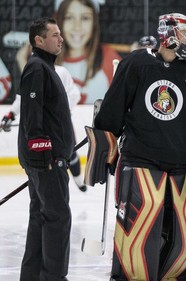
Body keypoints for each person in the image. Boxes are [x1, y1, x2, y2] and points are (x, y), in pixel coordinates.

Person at [94, 12, 186, 281]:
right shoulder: (136, 64)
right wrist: (104, 147)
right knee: (138, 229)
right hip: (141, 161)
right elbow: (112, 113)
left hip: (185, 165)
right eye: (183, 33)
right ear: (167, 35)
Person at [18, 17, 74, 281]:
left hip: (46, 162)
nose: (61, 39)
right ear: (39, 40)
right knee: (57, 219)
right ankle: (54, 277)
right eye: (55, 35)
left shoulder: (44, 67)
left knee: (41, 218)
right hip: (47, 163)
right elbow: (32, 118)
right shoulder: (37, 68)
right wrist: (45, 158)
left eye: (60, 34)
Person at [1, 63, 87, 191]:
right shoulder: (30, 73)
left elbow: (74, 94)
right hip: (39, 125)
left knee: (70, 152)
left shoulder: (61, 72)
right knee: (42, 155)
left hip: (60, 124)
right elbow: (21, 98)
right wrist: (10, 114)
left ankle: (78, 180)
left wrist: (59, 111)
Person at [53, 0, 122, 104]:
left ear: (94, 22)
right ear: (58, 21)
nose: (77, 27)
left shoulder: (110, 58)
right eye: (69, 17)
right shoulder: (45, 60)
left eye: (85, 18)